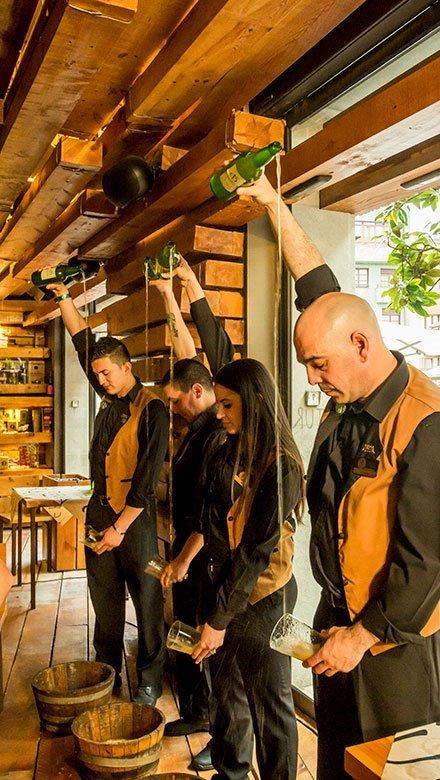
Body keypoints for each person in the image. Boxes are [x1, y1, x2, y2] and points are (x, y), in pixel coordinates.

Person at [237, 175, 440, 778]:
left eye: (319, 365)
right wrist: (274, 206)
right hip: (337, 625)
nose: (314, 379)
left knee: (393, 770)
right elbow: (316, 289)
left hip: (392, 646)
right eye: (308, 367)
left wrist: (361, 636)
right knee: (337, 766)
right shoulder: (351, 391)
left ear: (361, 343)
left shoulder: (433, 429)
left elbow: (425, 567)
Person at [174, 355, 305, 780]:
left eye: (228, 405)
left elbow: (255, 553)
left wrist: (219, 618)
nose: (219, 412)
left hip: (263, 598)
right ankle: (230, 773)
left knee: (271, 707)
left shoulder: (281, 463)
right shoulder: (228, 449)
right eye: (219, 403)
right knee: (227, 698)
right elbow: (210, 525)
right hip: (222, 589)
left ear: (255, 401)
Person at [47, 280, 169, 706]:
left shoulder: (151, 408)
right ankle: (109, 672)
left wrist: (119, 528)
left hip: (134, 525)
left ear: (127, 367)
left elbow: (146, 479)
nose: (101, 379)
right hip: (98, 519)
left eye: (107, 373)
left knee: (149, 604)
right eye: (97, 374)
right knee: (105, 604)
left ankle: (150, 679)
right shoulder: (107, 396)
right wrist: (65, 299)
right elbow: (83, 345)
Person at [151, 261, 233, 772]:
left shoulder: (216, 432)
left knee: (208, 642)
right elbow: (187, 360)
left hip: (202, 557)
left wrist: (183, 559)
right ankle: (199, 711)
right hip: (184, 549)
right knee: (187, 635)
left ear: (200, 395)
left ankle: (220, 732)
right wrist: (167, 293)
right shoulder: (197, 419)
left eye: (178, 401)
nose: (174, 408)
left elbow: (212, 513)